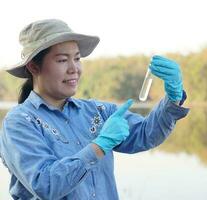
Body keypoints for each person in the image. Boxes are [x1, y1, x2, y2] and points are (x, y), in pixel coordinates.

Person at [0, 19, 189, 200]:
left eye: (77, 58)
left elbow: (146, 134)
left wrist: (172, 98)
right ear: (34, 66)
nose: (74, 68)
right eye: (62, 60)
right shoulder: (19, 122)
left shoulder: (97, 111)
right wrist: (99, 146)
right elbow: (46, 184)